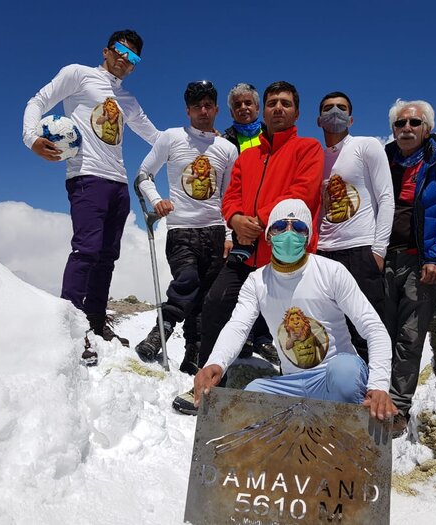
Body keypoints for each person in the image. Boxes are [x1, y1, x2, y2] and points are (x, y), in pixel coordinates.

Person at [172, 81, 325, 415]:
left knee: (294, 324)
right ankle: (210, 388)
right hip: (245, 254)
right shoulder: (247, 157)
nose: (278, 108)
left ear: (296, 111)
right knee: (215, 305)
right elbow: (231, 195)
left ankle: (303, 400)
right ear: (264, 110)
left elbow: (303, 194)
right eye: (272, 103)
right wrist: (235, 218)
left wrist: (256, 220)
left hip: (288, 259)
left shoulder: (308, 149)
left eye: (285, 103)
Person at [22, 29, 160, 364]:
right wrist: (31, 138)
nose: (125, 60)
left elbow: (156, 137)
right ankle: (70, 331)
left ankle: (96, 323)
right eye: (120, 51)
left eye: (133, 57)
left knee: (107, 257)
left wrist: (193, 140)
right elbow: (38, 101)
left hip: (118, 184)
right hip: (86, 178)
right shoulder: (78, 74)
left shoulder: (128, 101)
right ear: (106, 50)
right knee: (86, 251)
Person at [192, 199, 397, 423]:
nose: (289, 233)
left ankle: (351, 432)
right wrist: (216, 362)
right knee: (252, 394)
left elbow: (373, 327)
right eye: (280, 226)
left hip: (335, 378)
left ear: (307, 237)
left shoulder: (331, 272)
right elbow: (238, 326)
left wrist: (378, 385)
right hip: (292, 382)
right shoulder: (256, 281)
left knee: (344, 371)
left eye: (298, 227)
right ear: (269, 235)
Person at [134, 81, 238, 375]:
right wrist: (156, 201)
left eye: (208, 105)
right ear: (187, 110)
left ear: (216, 109)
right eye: (196, 106)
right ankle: (160, 333)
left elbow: (230, 196)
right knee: (187, 281)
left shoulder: (228, 149)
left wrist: (229, 235)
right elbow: (143, 175)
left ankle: (194, 351)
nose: (203, 111)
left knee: (206, 297)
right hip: (182, 228)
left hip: (216, 231)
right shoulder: (170, 138)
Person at [384, 99, 436, 434]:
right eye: (400, 124)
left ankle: (397, 407)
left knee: (410, 336)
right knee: (377, 332)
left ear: (427, 129)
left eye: (414, 123)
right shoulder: (383, 160)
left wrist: (435, 258)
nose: (406, 129)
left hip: (420, 262)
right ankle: (372, 395)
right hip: (383, 258)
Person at [316, 91, 394, 362]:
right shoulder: (316, 157)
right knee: (330, 330)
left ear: (351, 119)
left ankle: (372, 395)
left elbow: (386, 197)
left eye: (341, 108)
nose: (334, 112)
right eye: (328, 108)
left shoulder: (366, 145)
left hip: (360, 249)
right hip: (324, 252)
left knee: (365, 328)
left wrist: (379, 251)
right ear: (318, 120)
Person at [221, 83, 277, 364]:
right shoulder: (224, 141)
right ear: (232, 111)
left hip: (268, 221)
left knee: (268, 281)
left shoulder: (274, 137)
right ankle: (242, 339)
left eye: (248, 104)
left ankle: (264, 338)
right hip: (237, 221)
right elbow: (224, 187)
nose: (244, 108)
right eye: (238, 105)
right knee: (241, 283)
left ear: (257, 108)